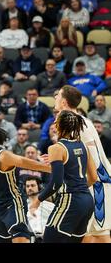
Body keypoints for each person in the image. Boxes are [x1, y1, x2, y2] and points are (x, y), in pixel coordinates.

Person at [0, 121, 50, 243]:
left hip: (13, 204)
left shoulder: (2, 156)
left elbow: (24, 162)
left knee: (20, 239)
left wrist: (50, 168)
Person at [54, 85, 111, 243]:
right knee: (90, 233)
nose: (55, 99)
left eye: (57, 95)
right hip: (91, 183)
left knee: (96, 233)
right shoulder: (76, 122)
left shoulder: (79, 124)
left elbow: (93, 158)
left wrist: (83, 183)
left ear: (64, 102)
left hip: (97, 183)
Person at [30, 110, 97, 243]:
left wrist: (37, 200)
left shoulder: (56, 148)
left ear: (59, 125)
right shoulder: (83, 145)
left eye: (56, 121)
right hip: (87, 201)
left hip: (70, 200)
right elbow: (94, 177)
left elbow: (56, 182)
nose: (54, 123)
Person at [24, 177, 54, 242]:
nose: (30, 188)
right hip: (29, 239)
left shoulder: (50, 206)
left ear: (39, 187)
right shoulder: (22, 206)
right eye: (27, 186)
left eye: (33, 185)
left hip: (47, 238)